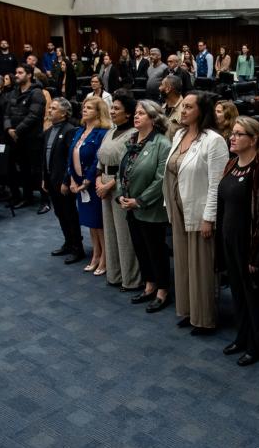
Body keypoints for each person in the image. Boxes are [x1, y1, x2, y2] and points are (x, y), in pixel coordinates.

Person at [164, 91, 228, 335]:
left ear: (202, 111)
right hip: (178, 206)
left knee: (200, 266)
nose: (183, 110)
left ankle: (204, 318)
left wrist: (208, 217)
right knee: (182, 263)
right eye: (184, 107)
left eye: (189, 107)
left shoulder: (214, 140)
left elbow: (216, 183)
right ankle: (189, 311)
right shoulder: (179, 134)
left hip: (199, 211)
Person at [216, 117, 259, 365]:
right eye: (232, 133)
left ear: (253, 139)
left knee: (254, 298)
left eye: (239, 134)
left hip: (250, 245)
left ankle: (257, 344)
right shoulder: (231, 164)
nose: (232, 137)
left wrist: (257, 254)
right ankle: (242, 337)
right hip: (229, 240)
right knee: (238, 294)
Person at [118, 100, 173, 312]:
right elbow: (123, 169)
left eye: (141, 113)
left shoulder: (162, 144)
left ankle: (162, 290)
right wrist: (122, 195)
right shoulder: (133, 139)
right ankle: (149, 285)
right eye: (136, 113)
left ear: (153, 118)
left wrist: (139, 200)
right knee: (140, 248)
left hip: (151, 208)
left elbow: (161, 179)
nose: (136, 116)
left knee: (156, 250)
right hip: (131, 206)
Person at [96, 95, 142, 290]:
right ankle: (114, 274)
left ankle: (130, 279)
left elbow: (129, 165)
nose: (112, 111)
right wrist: (99, 179)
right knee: (110, 231)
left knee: (124, 234)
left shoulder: (133, 134)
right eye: (111, 108)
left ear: (128, 113)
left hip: (119, 185)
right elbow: (100, 158)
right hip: (103, 183)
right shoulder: (110, 131)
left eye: (116, 108)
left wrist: (109, 185)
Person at [69, 97, 112, 275]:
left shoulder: (102, 133)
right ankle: (96, 253)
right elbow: (70, 155)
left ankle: (105, 257)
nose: (84, 110)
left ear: (98, 111)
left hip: (93, 182)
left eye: (89, 108)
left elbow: (97, 159)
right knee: (90, 223)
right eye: (83, 107)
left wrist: (87, 180)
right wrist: (72, 179)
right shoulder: (80, 130)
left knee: (98, 222)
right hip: (79, 183)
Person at [42, 98, 84, 264]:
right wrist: (44, 179)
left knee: (69, 214)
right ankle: (68, 242)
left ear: (64, 113)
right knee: (59, 213)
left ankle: (77, 248)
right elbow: (44, 158)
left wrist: (67, 181)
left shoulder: (70, 130)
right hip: (51, 180)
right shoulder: (49, 131)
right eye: (50, 108)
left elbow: (70, 159)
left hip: (63, 182)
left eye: (53, 108)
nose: (49, 110)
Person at [5, 64, 46, 210]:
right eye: (16, 72)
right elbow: (7, 113)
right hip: (17, 138)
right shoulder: (14, 92)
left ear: (29, 75)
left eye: (20, 72)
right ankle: (27, 197)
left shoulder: (36, 93)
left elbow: (34, 116)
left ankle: (45, 200)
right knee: (23, 169)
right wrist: (9, 128)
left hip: (33, 138)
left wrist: (17, 130)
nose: (16, 75)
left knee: (38, 170)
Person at [160, 75, 184, 140]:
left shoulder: (183, 111)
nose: (159, 88)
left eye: (161, 85)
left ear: (168, 89)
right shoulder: (162, 108)